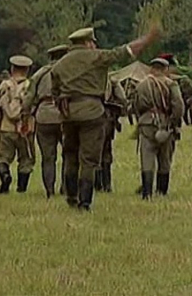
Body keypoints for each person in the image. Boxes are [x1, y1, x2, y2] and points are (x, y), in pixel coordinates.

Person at [51, 25, 160, 211]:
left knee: (70, 156)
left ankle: (71, 197)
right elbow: (123, 52)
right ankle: (84, 202)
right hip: (92, 112)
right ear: (87, 43)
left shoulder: (59, 64)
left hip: (68, 114)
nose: (94, 45)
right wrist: (145, 39)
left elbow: (55, 91)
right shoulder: (96, 57)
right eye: (93, 42)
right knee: (89, 159)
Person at [23, 44, 69, 198]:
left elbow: (28, 98)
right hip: (64, 115)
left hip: (43, 116)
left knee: (48, 157)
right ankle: (65, 187)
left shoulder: (39, 74)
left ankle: (49, 191)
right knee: (69, 154)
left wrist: (25, 117)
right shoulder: (69, 72)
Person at [134, 58, 184, 199]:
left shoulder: (141, 85)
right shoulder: (171, 84)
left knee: (146, 158)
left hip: (146, 124)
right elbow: (178, 106)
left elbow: (136, 106)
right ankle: (162, 191)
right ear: (165, 69)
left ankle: (147, 192)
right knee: (164, 159)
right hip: (165, 123)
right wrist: (174, 122)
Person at [0, 55, 36, 194]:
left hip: (6, 127)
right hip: (25, 127)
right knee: (26, 159)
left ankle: (5, 176)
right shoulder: (30, 86)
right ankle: (21, 188)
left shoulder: (4, 85)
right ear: (27, 70)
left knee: (1, 157)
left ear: (12, 68)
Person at [95, 78, 127, 193]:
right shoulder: (112, 81)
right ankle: (106, 184)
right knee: (106, 151)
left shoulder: (88, 77)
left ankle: (97, 184)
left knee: (93, 151)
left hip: (91, 117)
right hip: (107, 118)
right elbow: (123, 98)